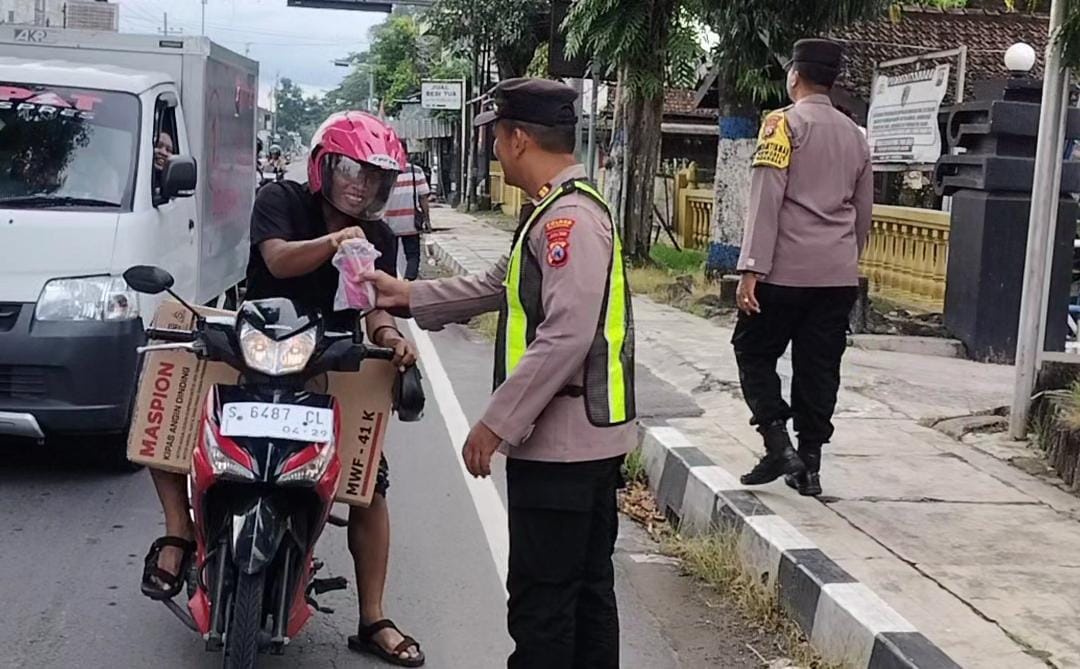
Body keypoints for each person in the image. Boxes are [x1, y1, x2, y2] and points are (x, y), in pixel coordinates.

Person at [364, 77, 636, 669]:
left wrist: (494, 424)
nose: (492, 149)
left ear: (516, 139)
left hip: (564, 445)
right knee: (583, 596)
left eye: (494, 137)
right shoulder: (553, 211)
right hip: (580, 442)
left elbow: (566, 334)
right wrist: (406, 294)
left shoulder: (568, 220)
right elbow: (497, 285)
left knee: (544, 605)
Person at [139, 111, 425, 667]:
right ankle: (178, 534)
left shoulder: (381, 238)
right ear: (323, 166)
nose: (360, 184)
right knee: (168, 414)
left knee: (371, 481)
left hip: (331, 364)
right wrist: (335, 240)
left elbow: (376, 310)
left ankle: (373, 618)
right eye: (350, 169)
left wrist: (392, 339)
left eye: (373, 177)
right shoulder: (281, 201)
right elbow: (277, 260)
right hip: (251, 347)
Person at [733, 38, 873, 497]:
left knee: (753, 351)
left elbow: (766, 199)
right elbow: (863, 212)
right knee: (819, 367)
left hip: (783, 272)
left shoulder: (781, 124)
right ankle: (809, 465)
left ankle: (778, 443)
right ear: (832, 81)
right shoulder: (856, 135)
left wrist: (751, 267)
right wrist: (844, 261)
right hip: (836, 275)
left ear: (794, 75)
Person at [382, 139, 430, 280]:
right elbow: (423, 199)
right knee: (413, 254)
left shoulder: (383, 172)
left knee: (390, 255)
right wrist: (427, 220)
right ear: (407, 154)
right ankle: (408, 281)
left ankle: (392, 283)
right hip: (410, 222)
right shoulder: (416, 171)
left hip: (388, 223)